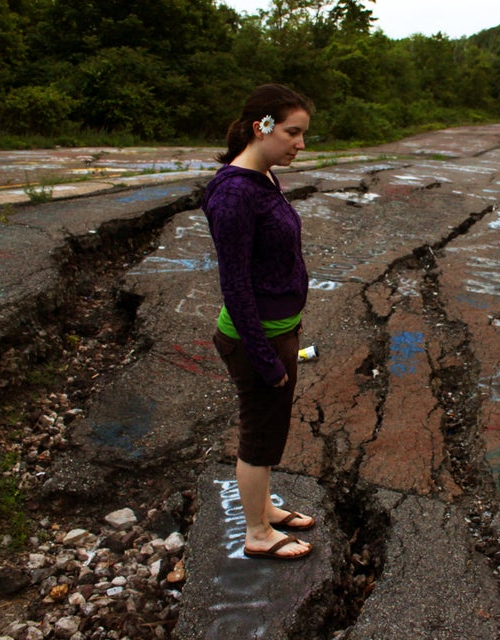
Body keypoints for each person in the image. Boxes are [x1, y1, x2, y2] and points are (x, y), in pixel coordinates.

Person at [202, 83, 315, 560]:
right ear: (261, 127)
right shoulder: (232, 194)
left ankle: (264, 507)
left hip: (277, 331)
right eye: (293, 132)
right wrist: (265, 358)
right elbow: (235, 285)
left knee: (272, 429)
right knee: (259, 435)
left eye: (303, 134)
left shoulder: (265, 175)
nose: (301, 144)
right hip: (256, 340)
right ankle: (257, 534)